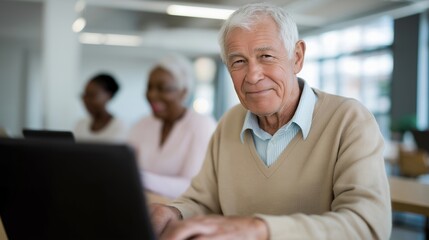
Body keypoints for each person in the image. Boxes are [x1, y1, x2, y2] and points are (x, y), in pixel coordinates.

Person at [150, 3, 391, 240]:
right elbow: (202, 201)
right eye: (239, 62)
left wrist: (260, 230)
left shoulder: (349, 120)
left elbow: (367, 225)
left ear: (296, 57)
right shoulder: (229, 123)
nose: (253, 76)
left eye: (266, 56)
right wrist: (174, 213)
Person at [127, 54, 217, 199]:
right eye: (149, 87)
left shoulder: (201, 125)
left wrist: (138, 177)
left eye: (163, 88)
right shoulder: (141, 124)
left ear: (184, 92)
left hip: (183, 213)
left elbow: (194, 186)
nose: (152, 95)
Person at [74, 73, 128, 142]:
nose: (86, 100)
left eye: (91, 95)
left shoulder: (120, 128)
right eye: (84, 95)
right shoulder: (80, 124)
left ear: (109, 96)